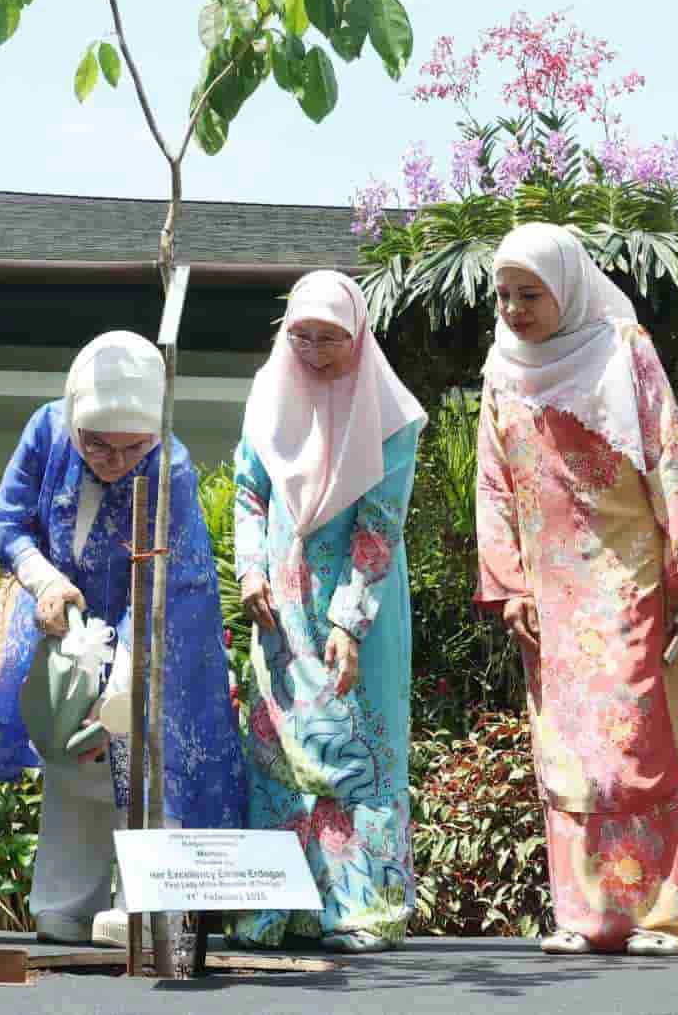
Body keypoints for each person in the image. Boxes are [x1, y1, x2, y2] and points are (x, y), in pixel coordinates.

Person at [474, 222, 678, 956]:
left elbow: (669, 458)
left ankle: (674, 915)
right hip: (551, 594)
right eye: (504, 294)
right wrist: (509, 586)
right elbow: (493, 487)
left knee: (646, 736)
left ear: (567, 287)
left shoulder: (625, 351)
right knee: (571, 748)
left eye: (530, 293)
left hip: (634, 580)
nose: (514, 308)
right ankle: (590, 915)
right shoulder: (502, 369)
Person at [0, 331, 246, 947]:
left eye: (131, 448)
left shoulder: (168, 466)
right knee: (70, 759)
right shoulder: (46, 430)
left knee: (132, 751)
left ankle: (142, 903)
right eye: (96, 444)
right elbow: (9, 519)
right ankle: (65, 901)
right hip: (59, 622)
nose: (112, 461)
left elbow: (162, 585)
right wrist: (44, 581)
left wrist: (120, 682)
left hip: (151, 628)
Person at [231, 271, 425, 953]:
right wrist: (250, 567)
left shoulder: (391, 414)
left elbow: (378, 526)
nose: (313, 350)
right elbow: (249, 492)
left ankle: (360, 905)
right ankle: (280, 906)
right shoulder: (266, 397)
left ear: (359, 335)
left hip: (357, 609)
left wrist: (349, 621)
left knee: (356, 747)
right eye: (301, 335)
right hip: (281, 609)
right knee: (281, 744)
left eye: (330, 338)